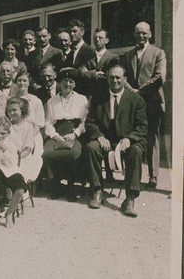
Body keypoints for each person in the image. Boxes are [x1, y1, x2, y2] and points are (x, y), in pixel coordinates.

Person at [85, 65, 147, 217]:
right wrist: (99, 136)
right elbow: (90, 122)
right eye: (111, 77)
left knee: (136, 151)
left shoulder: (135, 99)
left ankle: (130, 198)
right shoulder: (99, 98)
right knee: (91, 147)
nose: (115, 81)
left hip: (127, 139)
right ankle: (97, 191)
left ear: (125, 80)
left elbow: (143, 126)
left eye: (118, 77)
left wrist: (130, 138)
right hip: (105, 138)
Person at [120, 22, 166, 188]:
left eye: (144, 33)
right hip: (133, 102)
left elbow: (159, 77)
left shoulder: (158, 53)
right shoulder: (127, 55)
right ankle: (134, 175)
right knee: (132, 136)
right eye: (138, 33)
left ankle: (153, 175)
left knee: (152, 136)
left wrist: (140, 91)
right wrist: (131, 90)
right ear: (134, 34)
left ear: (150, 34)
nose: (141, 36)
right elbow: (122, 76)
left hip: (152, 102)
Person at [43, 68, 88, 201]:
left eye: (70, 81)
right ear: (60, 82)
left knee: (73, 153)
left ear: (74, 84)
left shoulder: (82, 99)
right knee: (47, 152)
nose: (67, 84)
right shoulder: (52, 101)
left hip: (74, 133)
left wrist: (75, 134)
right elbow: (48, 123)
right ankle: (55, 185)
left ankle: (70, 186)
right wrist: (56, 137)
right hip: (57, 133)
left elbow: (84, 122)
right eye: (64, 81)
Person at [6, 97, 43, 184]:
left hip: (22, 158)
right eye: (9, 111)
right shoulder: (6, 125)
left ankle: (18, 193)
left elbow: (27, 149)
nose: (11, 113)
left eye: (14, 110)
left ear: (22, 110)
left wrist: (16, 159)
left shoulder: (28, 126)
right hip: (8, 157)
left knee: (17, 175)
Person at [80, 28, 119, 96]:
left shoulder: (113, 58)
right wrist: (95, 73)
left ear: (106, 40)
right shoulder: (87, 57)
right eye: (95, 38)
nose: (97, 40)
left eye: (100, 37)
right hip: (89, 95)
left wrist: (88, 73)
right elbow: (81, 74)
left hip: (104, 95)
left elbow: (107, 76)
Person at [67, 19, 97, 95]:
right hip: (71, 92)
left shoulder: (90, 50)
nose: (72, 34)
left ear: (82, 32)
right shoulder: (71, 52)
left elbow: (90, 74)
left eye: (75, 31)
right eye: (70, 32)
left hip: (85, 92)